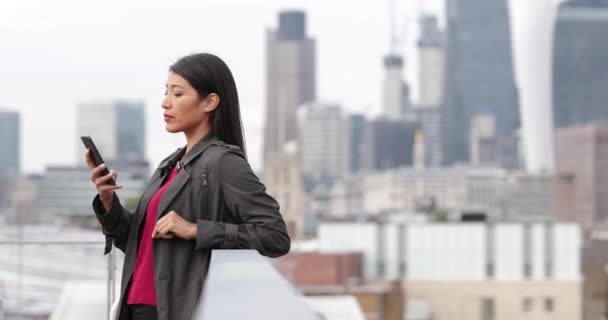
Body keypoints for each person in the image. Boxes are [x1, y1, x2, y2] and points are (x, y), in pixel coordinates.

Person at [85, 53, 291, 320]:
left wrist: (195, 230)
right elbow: (135, 243)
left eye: (178, 94)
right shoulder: (169, 165)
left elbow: (275, 236)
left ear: (210, 102)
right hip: (135, 308)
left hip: (176, 310)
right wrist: (108, 201)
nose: (165, 103)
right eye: (166, 92)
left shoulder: (224, 162)